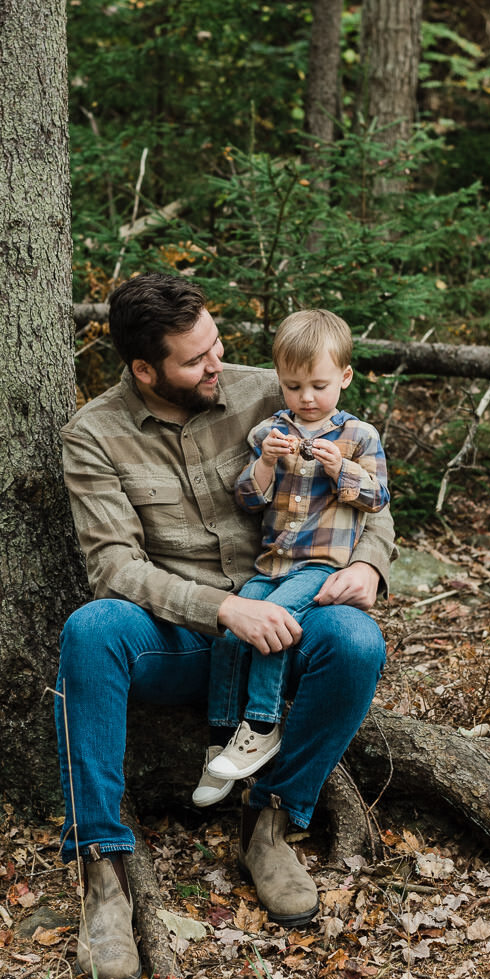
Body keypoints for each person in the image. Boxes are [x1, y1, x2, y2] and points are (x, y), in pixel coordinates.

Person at [56, 274, 394, 979]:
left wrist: (369, 564)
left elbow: (364, 473)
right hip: (182, 638)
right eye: (195, 359)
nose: (217, 366)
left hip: (289, 618)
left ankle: (269, 821)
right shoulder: (94, 436)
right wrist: (220, 609)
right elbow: (114, 564)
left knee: (359, 643)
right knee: (91, 630)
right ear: (145, 370)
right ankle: (104, 877)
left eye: (217, 347)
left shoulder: (270, 389)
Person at [193, 309, 390, 801]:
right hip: (272, 562)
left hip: (321, 564)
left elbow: (378, 499)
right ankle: (221, 743)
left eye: (319, 386)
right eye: (293, 386)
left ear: (344, 378)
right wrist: (265, 462)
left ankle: (261, 726)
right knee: (232, 630)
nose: (306, 398)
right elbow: (247, 499)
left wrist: (341, 469)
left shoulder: (359, 436)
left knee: (274, 622)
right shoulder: (269, 433)